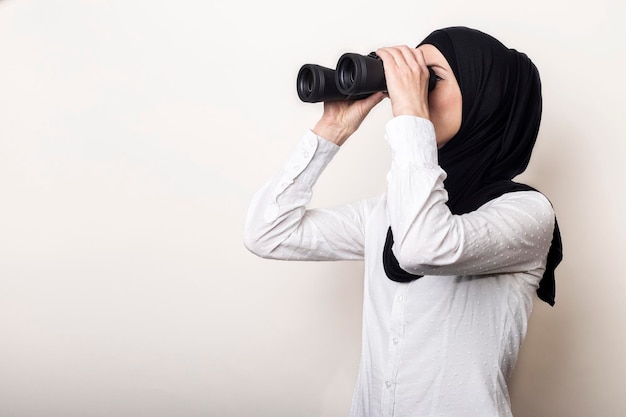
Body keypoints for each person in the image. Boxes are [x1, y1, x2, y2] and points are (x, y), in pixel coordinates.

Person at [243, 26, 562, 417]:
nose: (409, 89)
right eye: (411, 77)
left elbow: (420, 249)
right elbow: (267, 234)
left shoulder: (527, 214)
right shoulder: (388, 213)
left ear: (486, 100)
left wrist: (412, 114)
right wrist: (333, 130)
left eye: (431, 79)